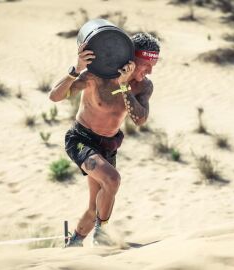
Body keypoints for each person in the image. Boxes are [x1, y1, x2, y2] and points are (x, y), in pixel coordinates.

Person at [49, 32, 160, 247]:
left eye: (154, 65)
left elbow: (140, 119)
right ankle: (102, 234)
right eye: (146, 64)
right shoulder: (96, 76)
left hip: (108, 145)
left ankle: (73, 244)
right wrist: (77, 68)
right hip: (81, 138)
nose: (150, 71)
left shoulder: (144, 86)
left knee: (95, 208)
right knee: (112, 180)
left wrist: (125, 85)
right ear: (129, 58)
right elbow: (55, 96)